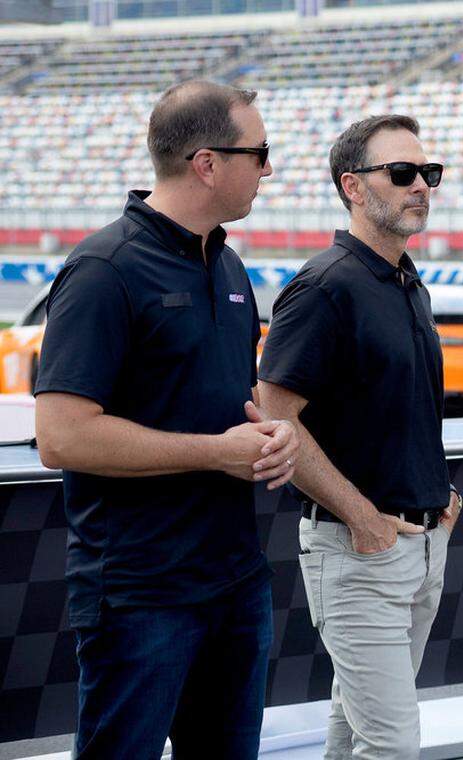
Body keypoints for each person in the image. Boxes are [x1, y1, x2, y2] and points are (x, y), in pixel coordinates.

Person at [33, 79, 296, 759]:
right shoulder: (103, 269)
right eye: (259, 152)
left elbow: (226, 401)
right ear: (207, 163)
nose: (269, 168)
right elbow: (60, 436)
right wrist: (217, 451)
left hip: (234, 580)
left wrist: (272, 436)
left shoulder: (230, 263)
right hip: (141, 591)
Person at [256, 114, 461, 760]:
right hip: (357, 550)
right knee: (392, 745)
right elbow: (273, 417)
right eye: (402, 174)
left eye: (429, 174)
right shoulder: (323, 288)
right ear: (353, 186)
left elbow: (403, 411)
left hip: (420, 543)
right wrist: (362, 516)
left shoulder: (407, 282)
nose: (421, 186)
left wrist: (440, 495)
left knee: (354, 737)